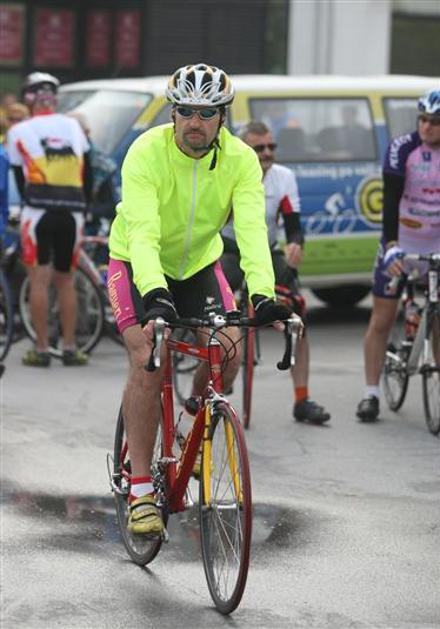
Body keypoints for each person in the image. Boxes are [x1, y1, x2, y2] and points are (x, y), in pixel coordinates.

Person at [107, 63, 290, 537]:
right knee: (148, 357)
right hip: (136, 262)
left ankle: (187, 429)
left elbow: (252, 230)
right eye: (186, 111)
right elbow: (142, 232)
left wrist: (263, 295)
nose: (195, 121)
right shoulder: (146, 151)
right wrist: (155, 293)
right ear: (172, 112)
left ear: (223, 117)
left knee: (228, 350)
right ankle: (141, 490)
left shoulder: (241, 160)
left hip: (198, 266)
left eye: (207, 113)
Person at [221, 121, 330, 425]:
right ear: (245, 150)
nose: (267, 153)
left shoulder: (284, 177)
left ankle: (302, 398)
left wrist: (296, 244)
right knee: (214, 305)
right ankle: (219, 372)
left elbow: (293, 225)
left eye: (271, 146)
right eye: (259, 148)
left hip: (265, 249)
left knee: (296, 312)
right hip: (228, 249)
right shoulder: (227, 172)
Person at [356, 89, 440, 422]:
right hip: (402, 243)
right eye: (423, 119)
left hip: (435, 246)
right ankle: (371, 393)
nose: (427, 127)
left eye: (435, 121)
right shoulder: (402, 148)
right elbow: (390, 201)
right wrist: (391, 244)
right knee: (382, 319)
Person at [7, 72, 93, 367]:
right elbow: (88, 170)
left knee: (39, 280)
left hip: (37, 212)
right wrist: (86, 207)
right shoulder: (73, 125)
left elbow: (19, 179)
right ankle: (69, 347)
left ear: (29, 99)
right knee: (66, 280)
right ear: (54, 99)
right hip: (73, 211)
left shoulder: (19, 130)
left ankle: (41, 349)